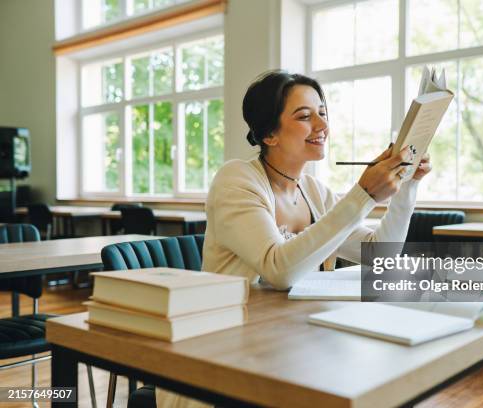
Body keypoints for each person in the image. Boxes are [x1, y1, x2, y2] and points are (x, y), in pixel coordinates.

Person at [156, 70, 431, 407]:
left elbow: (379, 254)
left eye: (322, 113)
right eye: (304, 116)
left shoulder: (315, 190)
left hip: (295, 342)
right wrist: (363, 196)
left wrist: (407, 184)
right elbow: (279, 269)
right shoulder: (236, 180)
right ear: (269, 134)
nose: (322, 125)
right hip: (224, 358)